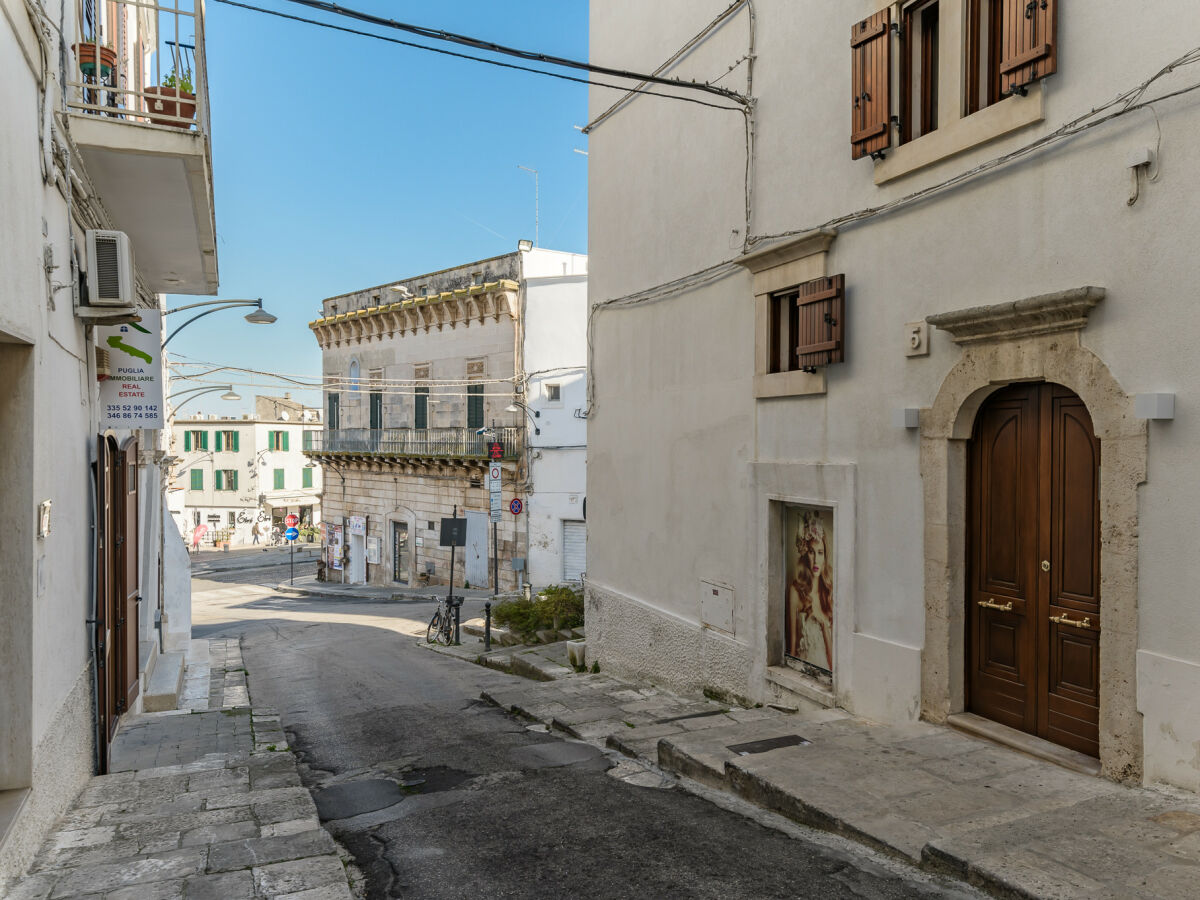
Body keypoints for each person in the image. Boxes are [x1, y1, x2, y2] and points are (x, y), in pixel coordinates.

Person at [786, 510, 833, 670]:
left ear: (825, 557)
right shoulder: (795, 591)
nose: (815, 559)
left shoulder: (829, 592)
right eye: (812, 552)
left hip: (825, 670)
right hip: (802, 669)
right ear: (806, 554)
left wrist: (823, 624)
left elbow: (833, 657)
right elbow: (791, 649)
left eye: (820, 553)